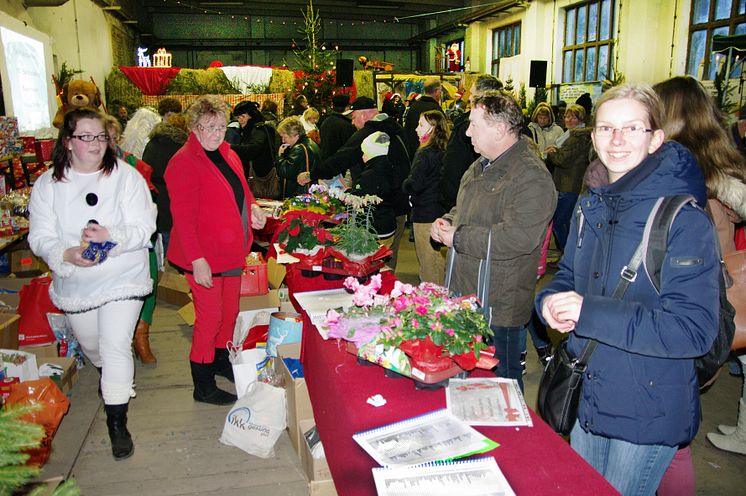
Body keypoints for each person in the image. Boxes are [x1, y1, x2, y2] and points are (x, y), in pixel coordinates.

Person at [536, 84, 721, 496]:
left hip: (647, 406)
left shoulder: (682, 219)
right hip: (590, 391)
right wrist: (548, 300)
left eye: (632, 128)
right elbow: (567, 274)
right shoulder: (591, 205)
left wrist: (588, 312)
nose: (616, 140)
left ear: (656, 138)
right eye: (606, 128)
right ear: (593, 135)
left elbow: (693, 329)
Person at [28, 108, 157, 460]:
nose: (95, 144)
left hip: (122, 274)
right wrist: (66, 254)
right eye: (86, 137)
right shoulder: (48, 185)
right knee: (93, 345)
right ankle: (110, 380)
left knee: (116, 344)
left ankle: (117, 422)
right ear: (68, 142)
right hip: (77, 281)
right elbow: (39, 235)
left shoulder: (126, 177)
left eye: (100, 136)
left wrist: (111, 236)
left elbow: (145, 226)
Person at [653, 75, 746, 493]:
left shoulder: (702, 169)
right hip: (698, 297)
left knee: (672, 427)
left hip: (699, 300)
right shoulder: (708, 162)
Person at [430, 91, 556, 391]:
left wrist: (458, 237)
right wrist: (448, 220)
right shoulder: (481, 165)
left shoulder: (530, 176)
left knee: (501, 386)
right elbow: (466, 209)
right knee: (465, 376)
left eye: (474, 124)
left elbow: (520, 238)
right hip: (466, 293)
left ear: (499, 129)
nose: (467, 131)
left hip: (498, 305)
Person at [166, 95, 267, 405]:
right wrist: (197, 260)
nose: (216, 133)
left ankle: (220, 359)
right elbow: (182, 219)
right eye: (208, 127)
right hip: (204, 256)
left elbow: (242, 189)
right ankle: (202, 382)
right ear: (193, 127)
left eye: (222, 126)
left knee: (230, 312)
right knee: (209, 318)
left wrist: (253, 208)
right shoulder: (183, 162)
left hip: (231, 251)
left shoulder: (228, 153)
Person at [300, 96, 411, 269]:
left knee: (374, 259)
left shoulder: (368, 134)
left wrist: (312, 174)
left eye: (353, 117)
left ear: (365, 115)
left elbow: (340, 158)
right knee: (389, 256)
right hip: (399, 202)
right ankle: (387, 288)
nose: (352, 123)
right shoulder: (396, 129)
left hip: (378, 210)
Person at [102, 114, 160, 367]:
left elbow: (148, 198)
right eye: (106, 138)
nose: (111, 144)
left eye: (115, 138)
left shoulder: (132, 163)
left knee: (149, 281)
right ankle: (117, 343)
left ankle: (141, 336)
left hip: (136, 235)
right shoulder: (83, 168)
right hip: (103, 241)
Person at [439, 74, 503, 213]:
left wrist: (452, 207)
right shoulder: (519, 130)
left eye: (472, 94)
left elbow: (452, 170)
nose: (468, 98)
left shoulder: (464, 130)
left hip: (470, 208)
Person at [402, 110, 451, 284]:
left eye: (421, 125)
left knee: (428, 262)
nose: (416, 129)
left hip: (424, 213)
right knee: (437, 260)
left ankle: (433, 302)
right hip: (438, 209)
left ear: (433, 128)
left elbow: (414, 183)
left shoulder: (425, 152)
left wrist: (405, 184)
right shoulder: (444, 149)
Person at [545, 103, 593, 253]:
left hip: (569, 184)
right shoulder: (571, 134)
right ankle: (565, 254)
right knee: (564, 221)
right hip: (566, 183)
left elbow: (563, 159)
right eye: (567, 116)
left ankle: (568, 255)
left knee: (560, 221)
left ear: (581, 119)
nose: (569, 120)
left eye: (573, 117)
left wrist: (553, 152)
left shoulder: (577, 136)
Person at [143, 112, 189, 255]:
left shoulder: (152, 142)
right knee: (172, 233)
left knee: (159, 231)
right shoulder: (181, 145)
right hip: (174, 193)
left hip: (154, 192)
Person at [354, 131, 397, 245]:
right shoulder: (389, 167)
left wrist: (345, 193)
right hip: (388, 223)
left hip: (375, 228)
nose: (362, 156)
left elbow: (360, 198)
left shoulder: (370, 174)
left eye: (365, 152)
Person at [229, 100, 280, 196]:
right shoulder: (251, 129)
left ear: (251, 116)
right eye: (238, 117)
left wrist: (229, 147)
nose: (240, 120)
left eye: (243, 116)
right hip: (258, 178)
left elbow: (254, 148)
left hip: (260, 180)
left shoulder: (258, 130)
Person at [276, 116, 320, 199]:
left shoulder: (299, 149)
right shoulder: (310, 143)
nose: (283, 141)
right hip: (309, 192)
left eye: (284, 137)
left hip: (299, 194)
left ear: (295, 135)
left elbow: (285, 171)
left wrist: (280, 156)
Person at [404, 77, 443, 157]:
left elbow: (407, 130)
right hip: (430, 156)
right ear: (437, 91)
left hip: (413, 153)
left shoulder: (413, 106)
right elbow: (441, 135)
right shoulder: (435, 109)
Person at [319, 93, 355, 160]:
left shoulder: (325, 122)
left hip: (326, 162)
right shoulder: (346, 125)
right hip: (339, 164)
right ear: (347, 108)